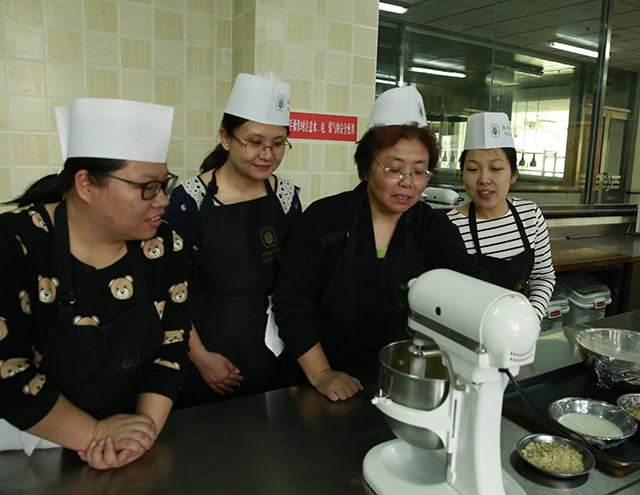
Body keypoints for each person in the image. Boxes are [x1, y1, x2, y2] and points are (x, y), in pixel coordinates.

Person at [0, 98, 191, 469]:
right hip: (31, 445)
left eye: (165, 184)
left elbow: (171, 346)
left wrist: (141, 433)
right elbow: (6, 371)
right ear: (86, 183)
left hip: (130, 437)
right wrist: (94, 435)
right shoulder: (15, 245)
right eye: (148, 187)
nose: (163, 201)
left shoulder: (165, 246)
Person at [272, 86, 484, 402]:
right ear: (367, 165)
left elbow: (460, 300)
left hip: (411, 378)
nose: (408, 182)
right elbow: (293, 303)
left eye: (419, 171)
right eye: (394, 169)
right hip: (324, 379)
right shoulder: (324, 218)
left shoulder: (434, 228)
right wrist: (322, 374)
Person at [163, 72, 302, 408]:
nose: (267, 154)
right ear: (225, 138)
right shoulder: (187, 202)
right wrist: (200, 358)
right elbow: (167, 288)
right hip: (207, 354)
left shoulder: (285, 197)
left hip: (273, 350)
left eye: (278, 143)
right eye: (254, 142)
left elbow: (294, 283)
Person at [446, 112, 555, 321]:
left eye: (496, 168)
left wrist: (530, 321)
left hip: (521, 329)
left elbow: (543, 277)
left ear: (513, 174)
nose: (484, 179)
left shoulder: (530, 215)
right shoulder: (449, 226)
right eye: (472, 169)